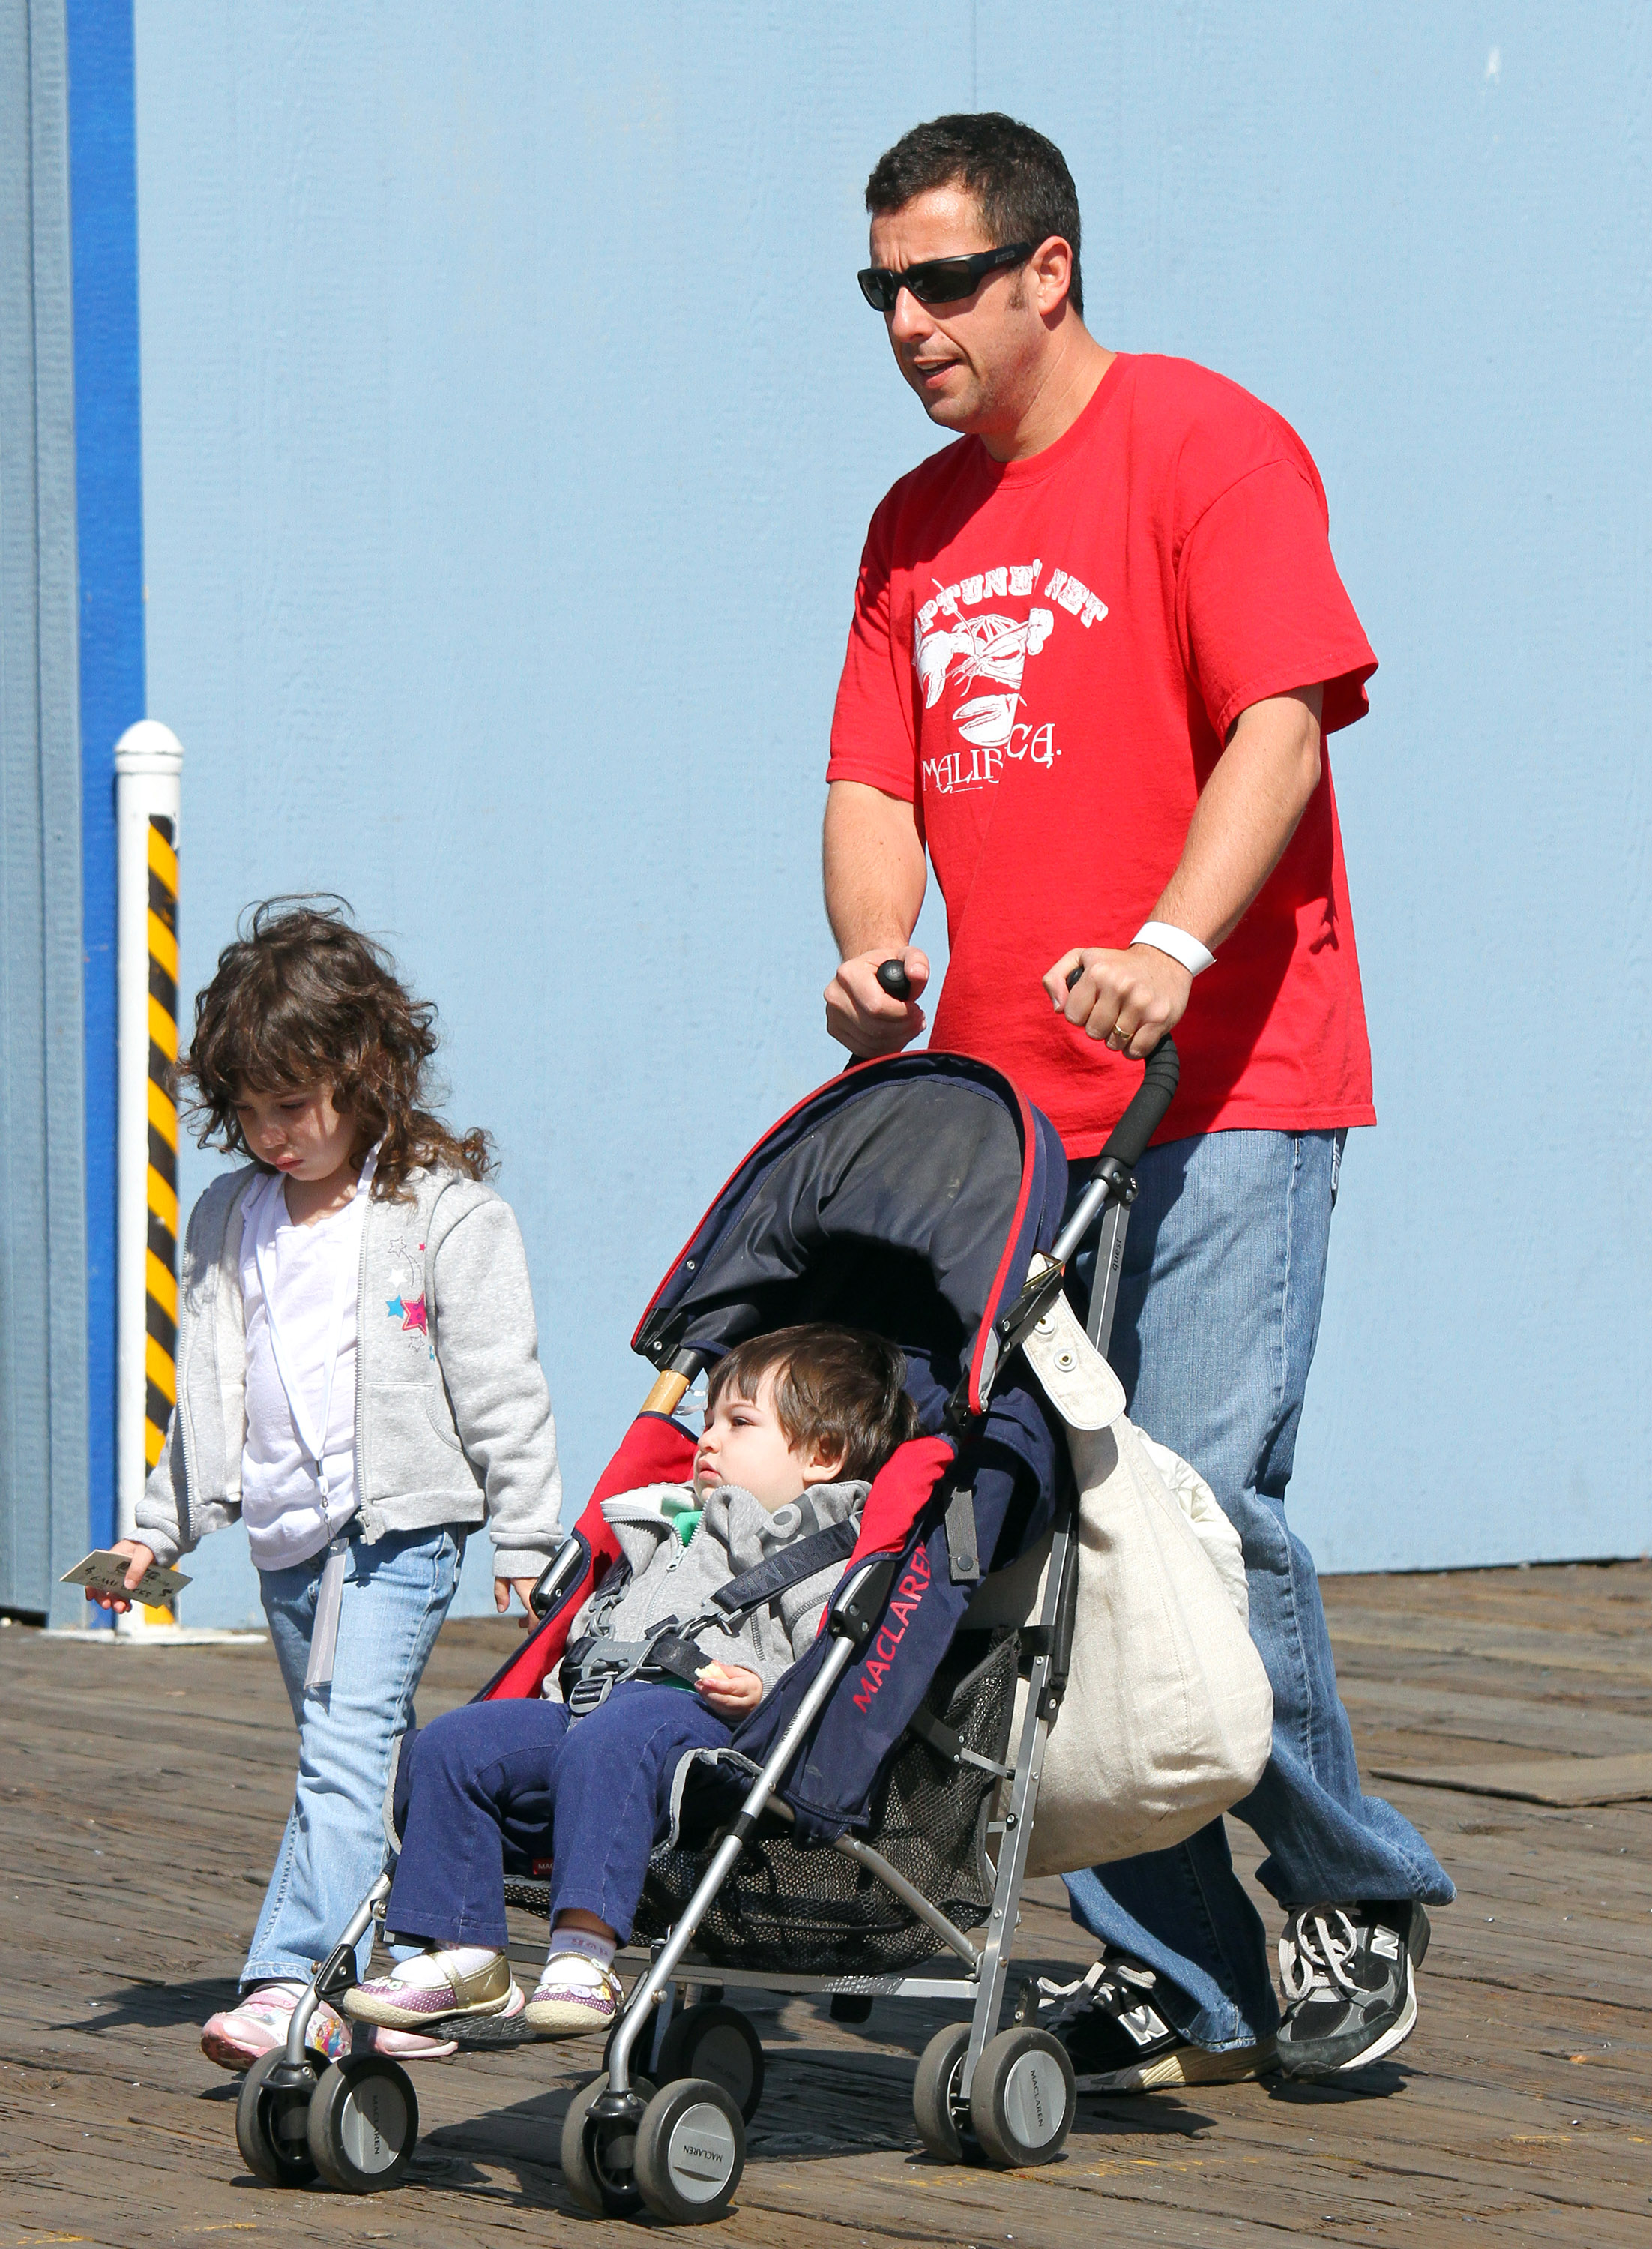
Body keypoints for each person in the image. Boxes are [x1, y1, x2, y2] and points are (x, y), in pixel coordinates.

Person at [822, 112, 1453, 2089]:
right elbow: (873, 787)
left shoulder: (1199, 444)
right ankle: (1180, 1973)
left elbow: (1279, 715)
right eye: (878, 290)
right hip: (1012, 1117)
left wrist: (1170, 944)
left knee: (1189, 1508)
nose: (905, 323)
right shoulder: (912, 528)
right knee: (1038, 1535)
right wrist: (869, 951)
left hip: (1224, 1070)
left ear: (1043, 270)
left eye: (936, 282)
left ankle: (1348, 1887)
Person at [88, 900, 563, 2073]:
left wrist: (527, 1529)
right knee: (371, 1754)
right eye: (247, 1113)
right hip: (287, 1541)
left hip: (398, 1530)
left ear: (367, 1071)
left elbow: (503, 1383)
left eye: (293, 1106)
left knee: (340, 1758)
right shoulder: (229, 1218)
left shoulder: (442, 1215)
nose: (272, 1135)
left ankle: (289, 1980)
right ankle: (418, 1974)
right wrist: (156, 1530)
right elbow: (205, 1396)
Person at [342, 1325, 919, 2038]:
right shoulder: (663, 1522)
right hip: (589, 1709)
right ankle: (463, 1953)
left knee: (619, 1735)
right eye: (706, 1419)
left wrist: (762, 1687)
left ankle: (584, 1953)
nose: (707, 1439)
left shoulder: (820, 1544)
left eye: (739, 1424)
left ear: (823, 1457)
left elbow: (823, 1666)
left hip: (702, 1733)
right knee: (453, 1745)